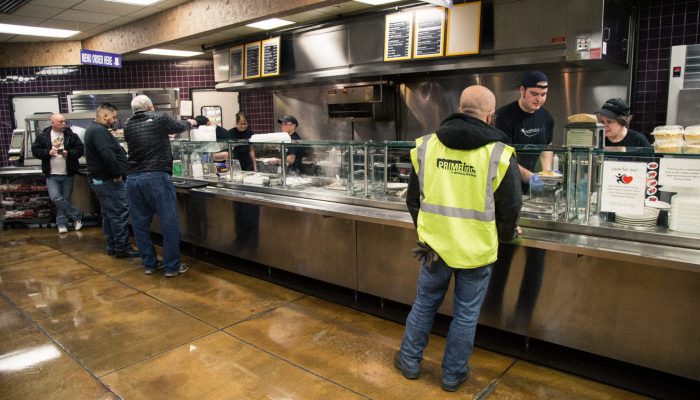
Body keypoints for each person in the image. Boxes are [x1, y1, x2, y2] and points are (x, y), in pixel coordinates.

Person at [395, 85, 522, 392]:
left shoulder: (426, 146)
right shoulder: (499, 153)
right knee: (465, 316)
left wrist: (427, 232)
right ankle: (453, 375)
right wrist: (505, 235)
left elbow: (414, 200)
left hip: (434, 249)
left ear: (460, 108)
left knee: (424, 305)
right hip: (476, 251)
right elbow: (510, 207)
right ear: (490, 115)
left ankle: (410, 362)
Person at [124, 95, 196, 277]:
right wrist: (192, 122)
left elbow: (147, 138)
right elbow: (180, 126)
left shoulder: (127, 124)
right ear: (150, 107)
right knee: (169, 224)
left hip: (132, 178)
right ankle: (172, 267)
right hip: (156, 176)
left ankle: (149, 264)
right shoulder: (159, 118)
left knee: (140, 225)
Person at [84, 103, 139, 258]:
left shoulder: (93, 130)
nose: (115, 120)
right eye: (114, 117)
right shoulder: (99, 131)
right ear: (105, 115)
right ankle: (123, 248)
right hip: (109, 180)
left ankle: (113, 246)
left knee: (109, 215)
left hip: (101, 180)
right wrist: (116, 173)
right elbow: (106, 154)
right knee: (119, 214)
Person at [495, 70, 554, 190]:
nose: (539, 99)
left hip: (528, 185)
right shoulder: (503, 116)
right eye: (534, 94)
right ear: (522, 90)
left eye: (543, 95)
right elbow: (502, 156)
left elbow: (547, 147)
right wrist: (530, 177)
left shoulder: (547, 118)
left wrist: (547, 173)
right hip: (504, 185)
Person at [31, 113, 84, 234]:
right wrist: (47, 152)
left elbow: (80, 150)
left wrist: (68, 153)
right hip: (52, 174)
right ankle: (77, 216)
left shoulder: (71, 135)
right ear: (52, 123)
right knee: (55, 197)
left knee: (66, 199)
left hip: (68, 174)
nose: (63, 124)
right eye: (60, 122)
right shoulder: (43, 136)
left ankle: (62, 224)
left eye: (64, 121)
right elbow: (36, 151)